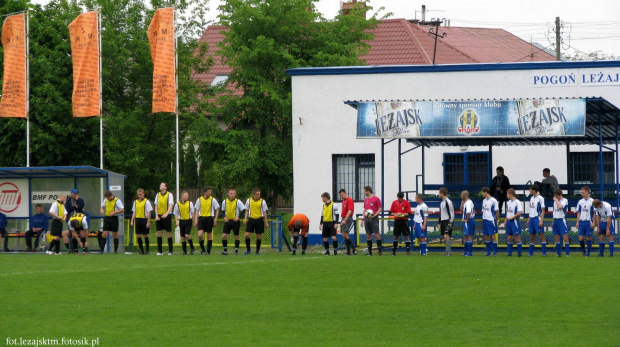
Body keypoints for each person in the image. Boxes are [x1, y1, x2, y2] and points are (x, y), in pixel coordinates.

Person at [193, 186, 220, 255]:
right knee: (200, 234)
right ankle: (202, 248)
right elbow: (197, 210)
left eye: (211, 191)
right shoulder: (199, 200)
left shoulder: (212, 200)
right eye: (209, 191)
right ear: (205, 192)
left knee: (209, 235)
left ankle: (208, 251)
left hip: (209, 218)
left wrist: (215, 219)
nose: (210, 192)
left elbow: (217, 209)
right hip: (201, 218)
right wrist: (196, 220)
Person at [243, 188, 269, 255]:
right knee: (246, 235)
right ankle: (248, 250)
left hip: (259, 219)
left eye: (259, 194)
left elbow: (265, 212)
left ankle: (257, 251)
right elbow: (246, 210)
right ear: (254, 194)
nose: (258, 195)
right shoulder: (249, 200)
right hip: (251, 219)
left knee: (258, 236)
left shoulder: (262, 201)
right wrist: (245, 218)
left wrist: (266, 222)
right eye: (257, 194)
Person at [221, 188, 245, 255]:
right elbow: (223, 211)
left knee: (236, 236)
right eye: (231, 193)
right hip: (228, 221)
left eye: (233, 193)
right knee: (224, 236)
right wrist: (224, 217)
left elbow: (243, 209)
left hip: (235, 221)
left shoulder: (238, 201)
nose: (232, 195)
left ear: (235, 194)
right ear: (228, 194)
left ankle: (236, 251)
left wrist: (238, 217)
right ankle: (225, 251)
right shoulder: (225, 202)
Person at [361, 186, 382, 256]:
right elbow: (364, 210)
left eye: (364, 191)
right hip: (367, 219)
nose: (364, 192)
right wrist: (362, 219)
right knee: (368, 236)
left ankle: (380, 252)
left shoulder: (376, 199)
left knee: (377, 235)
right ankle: (370, 252)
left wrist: (375, 215)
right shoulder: (366, 200)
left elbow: (380, 209)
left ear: (368, 191)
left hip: (374, 219)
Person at [525, 184, 546, 257]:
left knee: (541, 236)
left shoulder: (540, 198)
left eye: (530, 189)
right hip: (532, 219)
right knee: (531, 236)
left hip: (537, 218)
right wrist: (528, 219)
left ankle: (543, 253)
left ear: (534, 190)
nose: (529, 191)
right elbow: (531, 210)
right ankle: (530, 253)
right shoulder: (531, 198)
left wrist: (541, 221)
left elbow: (543, 210)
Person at [131, 188, 153, 255]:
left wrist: (148, 222)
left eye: (140, 194)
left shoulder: (146, 201)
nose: (139, 195)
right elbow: (134, 212)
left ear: (143, 194)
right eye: (138, 194)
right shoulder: (135, 202)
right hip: (137, 219)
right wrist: (132, 220)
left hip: (144, 219)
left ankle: (147, 250)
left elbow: (149, 212)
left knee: (145, 235)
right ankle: (141, 250)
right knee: (138, 235)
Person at [154, 182, 174, 256]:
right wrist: (156, 215)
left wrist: (167, 213)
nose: (160, 186)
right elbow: (156, 205)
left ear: (166, 187)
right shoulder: (158, 194)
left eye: (162, 185)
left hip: (166, 215)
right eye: (160, 185)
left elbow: (171, 204)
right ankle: (160, 251)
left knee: (168, 233)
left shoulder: (169, 194)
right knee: (159, 233)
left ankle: (170, 251)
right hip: (159, 215)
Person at [63, 189, 85, 253]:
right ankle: (73, 248)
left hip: (79, 220)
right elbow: (68, 209)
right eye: (75, 194)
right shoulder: (68, 201)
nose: (76, 195)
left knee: (81, 233)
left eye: (77, 193)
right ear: (71, 194)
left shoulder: (80, 200)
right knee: (72, 234)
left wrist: (77, 201)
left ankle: (83, 247)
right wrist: (75, 206)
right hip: (71, 220)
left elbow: (81, 206)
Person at [174, 191, 195, 255]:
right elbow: (176, 213)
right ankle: (184, 251)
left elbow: (192, 213)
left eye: (187, 195)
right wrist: (176, 221)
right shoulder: (177, 204)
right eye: (186, 196)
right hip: (182, 221)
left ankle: (192, 248)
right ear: (182, 196)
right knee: (183, 237)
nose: (187, 197)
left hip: (188, 220)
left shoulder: (190, 203)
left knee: (187, 235)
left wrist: (194, 221)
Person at [576, 186, 594, 257]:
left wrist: (593, 222)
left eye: (583, 192)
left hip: (588, 221)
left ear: (587, 192)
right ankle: (584, 250)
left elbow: (594, 213)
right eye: (581, 192)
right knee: (580, 238)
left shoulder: (592, 201)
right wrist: (577, 221)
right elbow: (579, 212)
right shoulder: (580, 202)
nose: (582, 194)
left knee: (588, 238)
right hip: (581, 222)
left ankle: (588, 253)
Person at [480, 187, 499, 256]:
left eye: (482, 192)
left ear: (486, 192)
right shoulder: (484, 201)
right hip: (485, 220)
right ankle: (488, 252)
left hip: (491, 220)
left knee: (493, 236)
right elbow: (483, 210)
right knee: (486, 236)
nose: (482, 194)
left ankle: (494, 252)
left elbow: (497, 211)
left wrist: (496, 219)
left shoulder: (493, 200)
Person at [338, 189, 357, 255]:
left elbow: (350, 210)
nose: (341, 197)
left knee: (345, 234)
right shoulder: (344, 201)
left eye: (342, 195)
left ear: (345, 193)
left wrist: (345, 219)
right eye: (340, 195)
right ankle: (348, 251)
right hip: (343, 218)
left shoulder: (349, 200)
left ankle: (354, 249)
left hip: (347, 218)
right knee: (344, 235)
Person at [505, 188, 523, 257]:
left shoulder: (517, 202)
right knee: (509, 238)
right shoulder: (508, 202)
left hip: (514, 221)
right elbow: (507, 212)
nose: (507, 195)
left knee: (517, 237)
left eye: (507, 194)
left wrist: (513, 217)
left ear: (511, 194)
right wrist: (505, 220)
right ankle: (509, 253)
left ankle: (519, 253)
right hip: (509, 222)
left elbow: (520, 212)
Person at [552, 189, 570, 257]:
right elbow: (554, 211)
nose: (555, 197)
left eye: (556, 196)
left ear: (560, 195)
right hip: (556, 220)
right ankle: (558, 253)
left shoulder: (564, 200)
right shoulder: (555, 202)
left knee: (565, 237)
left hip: (561, 220)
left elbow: (560, 207)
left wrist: (556, 200)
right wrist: (553, 221)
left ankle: (567, 253)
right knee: (556, 237)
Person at [438, 187, 455, 256]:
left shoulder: (448, 202)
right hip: (443, 221)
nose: (438, 194)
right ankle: (447, 252)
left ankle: (448, 252)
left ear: (442, 193)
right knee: (445, 236)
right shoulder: (442, 202)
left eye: (439, 193)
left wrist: (450, 222)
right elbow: (441, 213)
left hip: (448, 221)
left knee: (446, 235)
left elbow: (452, 212)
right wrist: (439, 221)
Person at [460, 191, 475, 257]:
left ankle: (470, 252)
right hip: (466, 220)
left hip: (469, 220)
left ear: (465, 196)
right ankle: (466, 252)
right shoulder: (465, 202)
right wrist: (462, 204)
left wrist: (467, 219)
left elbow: (468, 212)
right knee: (466, 236)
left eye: (461, 195)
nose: (461, 196)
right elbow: (461, 210)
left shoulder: (468, 203)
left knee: (468, 235)